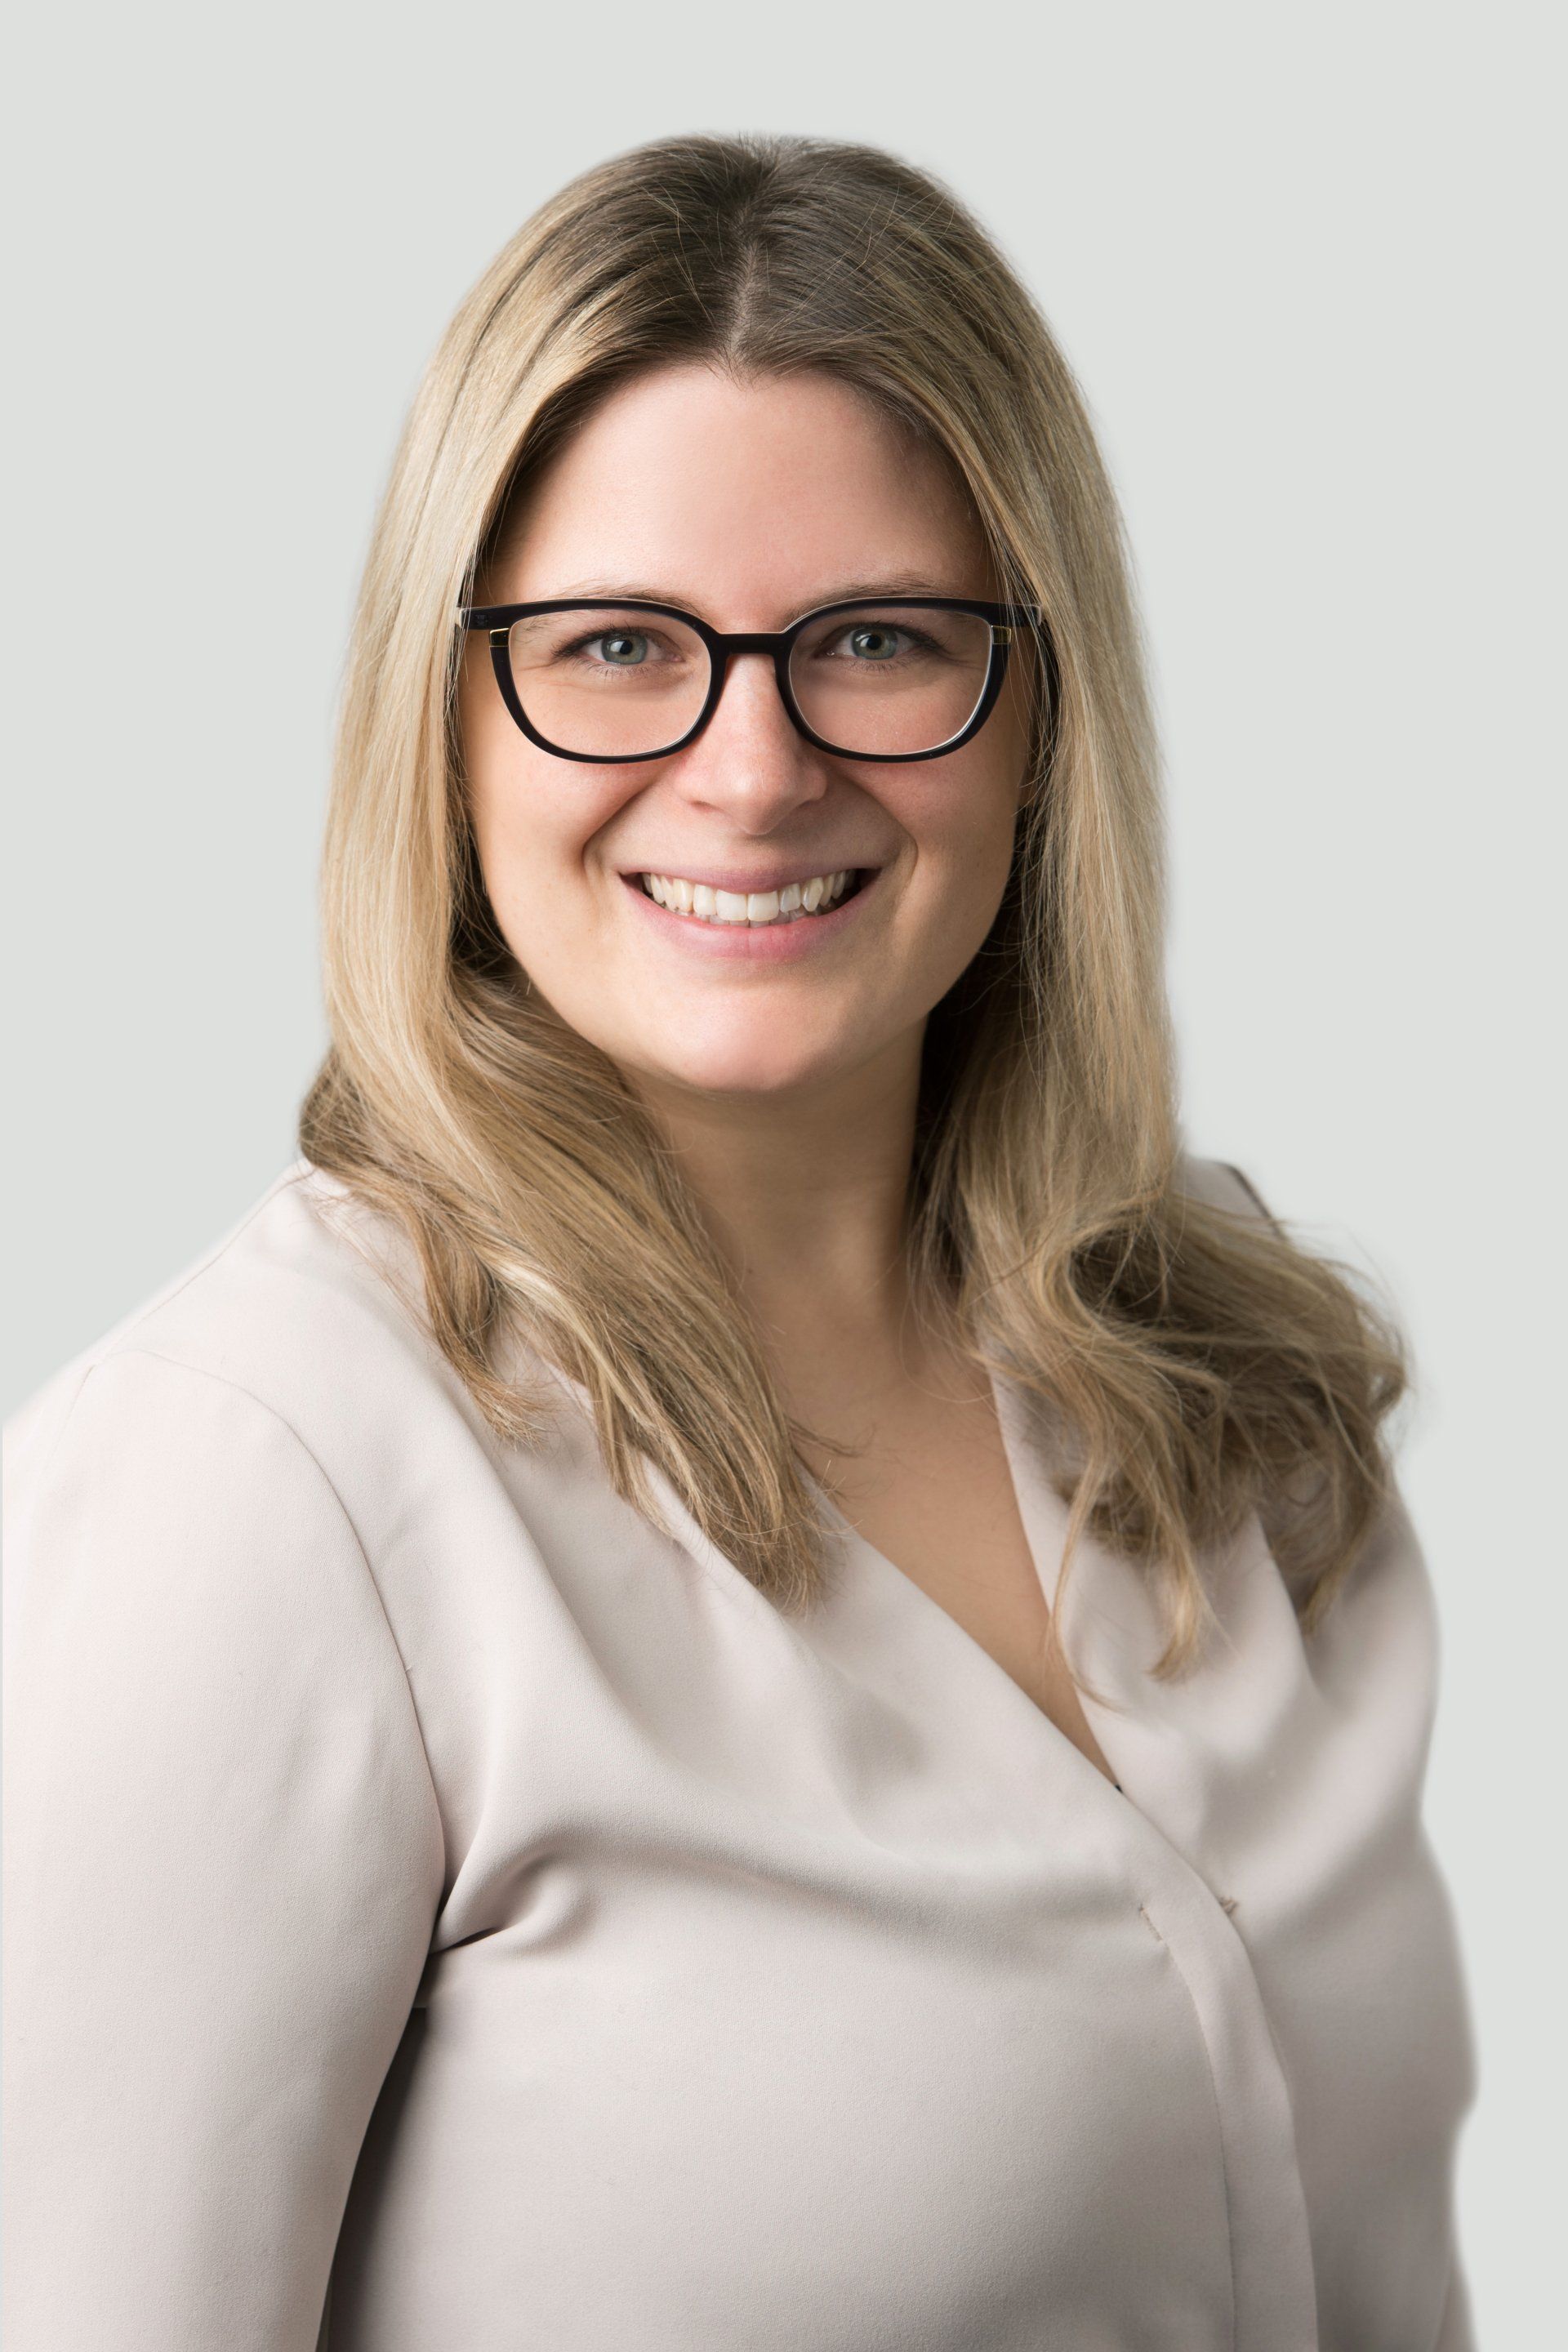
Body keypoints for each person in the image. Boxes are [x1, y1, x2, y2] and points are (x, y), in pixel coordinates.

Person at [2, 131, 1477, 2351]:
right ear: (447, 720)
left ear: (1041, 711)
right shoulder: (263, 1489)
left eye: (878, 639)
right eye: (615, 647)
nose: (754, 767)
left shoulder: (1233, 1399)